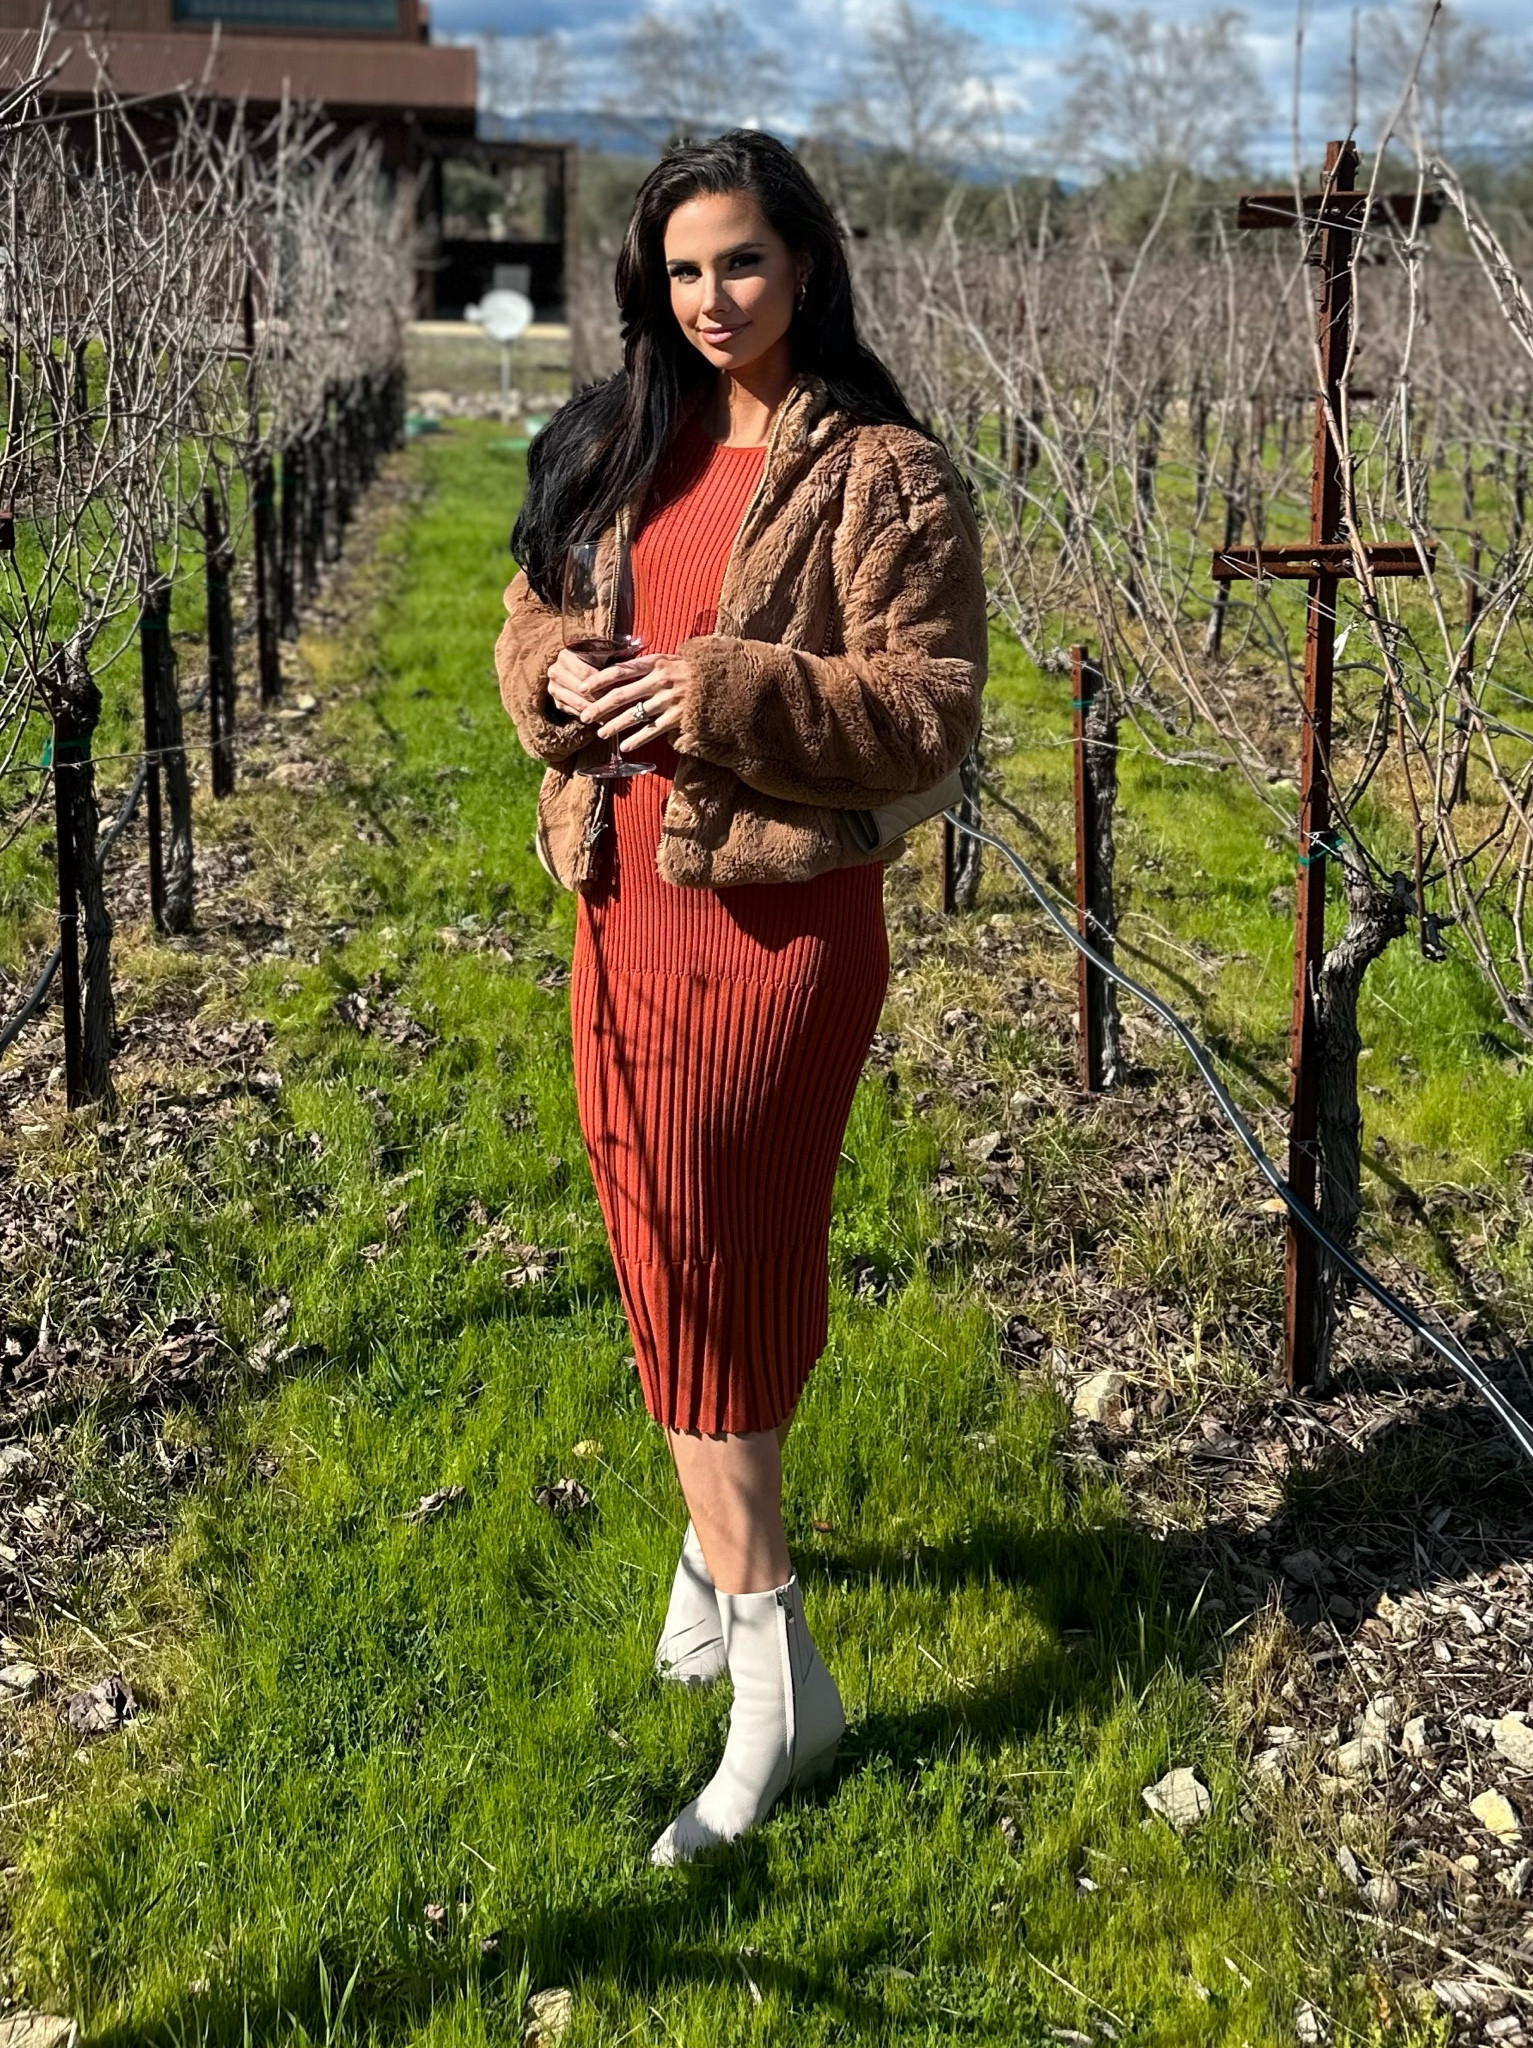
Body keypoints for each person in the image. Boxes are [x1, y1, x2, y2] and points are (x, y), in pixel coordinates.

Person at [495, 130, 987, 1866]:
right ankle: (711, 1556)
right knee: (666, 1245)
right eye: (685, 270)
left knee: (718, 1254)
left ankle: (779, 1691)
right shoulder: (630, 438)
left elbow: (927, 712)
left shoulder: (889, 477)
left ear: (808, 265)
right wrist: (558, 676)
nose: (713, 300)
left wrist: (712, 692)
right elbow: (529, 614)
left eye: (745, 265)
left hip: (774, 936)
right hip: (622, 910)